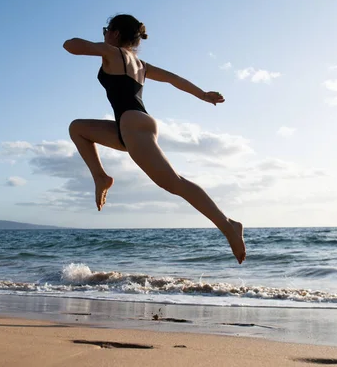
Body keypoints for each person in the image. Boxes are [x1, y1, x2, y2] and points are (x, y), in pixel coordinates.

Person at [63, 14, 246, 264]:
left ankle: (228, 226)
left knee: (174, 183)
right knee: (77, 129)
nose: (104, 34)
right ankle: (101, 177)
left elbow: (69, 45)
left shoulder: (111, 51)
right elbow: (173, 78)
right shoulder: (141, 64)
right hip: (131, 125)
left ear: (115, 34)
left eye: (106, 29)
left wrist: (94, 46)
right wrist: (202, 94)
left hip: (132, 125)